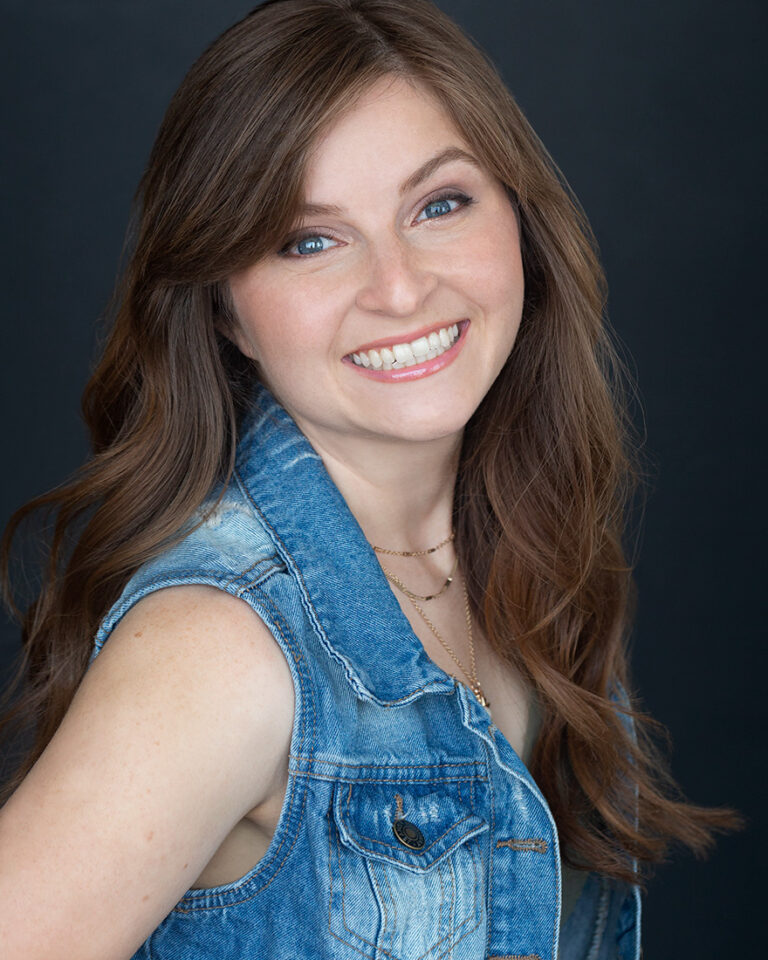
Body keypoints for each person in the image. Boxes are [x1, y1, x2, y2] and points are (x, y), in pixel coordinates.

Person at [0, 1, 740, 958]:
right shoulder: (222, 647)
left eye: (439, 205)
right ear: (225, 312)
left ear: (519, 216)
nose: (398, 287)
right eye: (310, 240)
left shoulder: (518, 555)